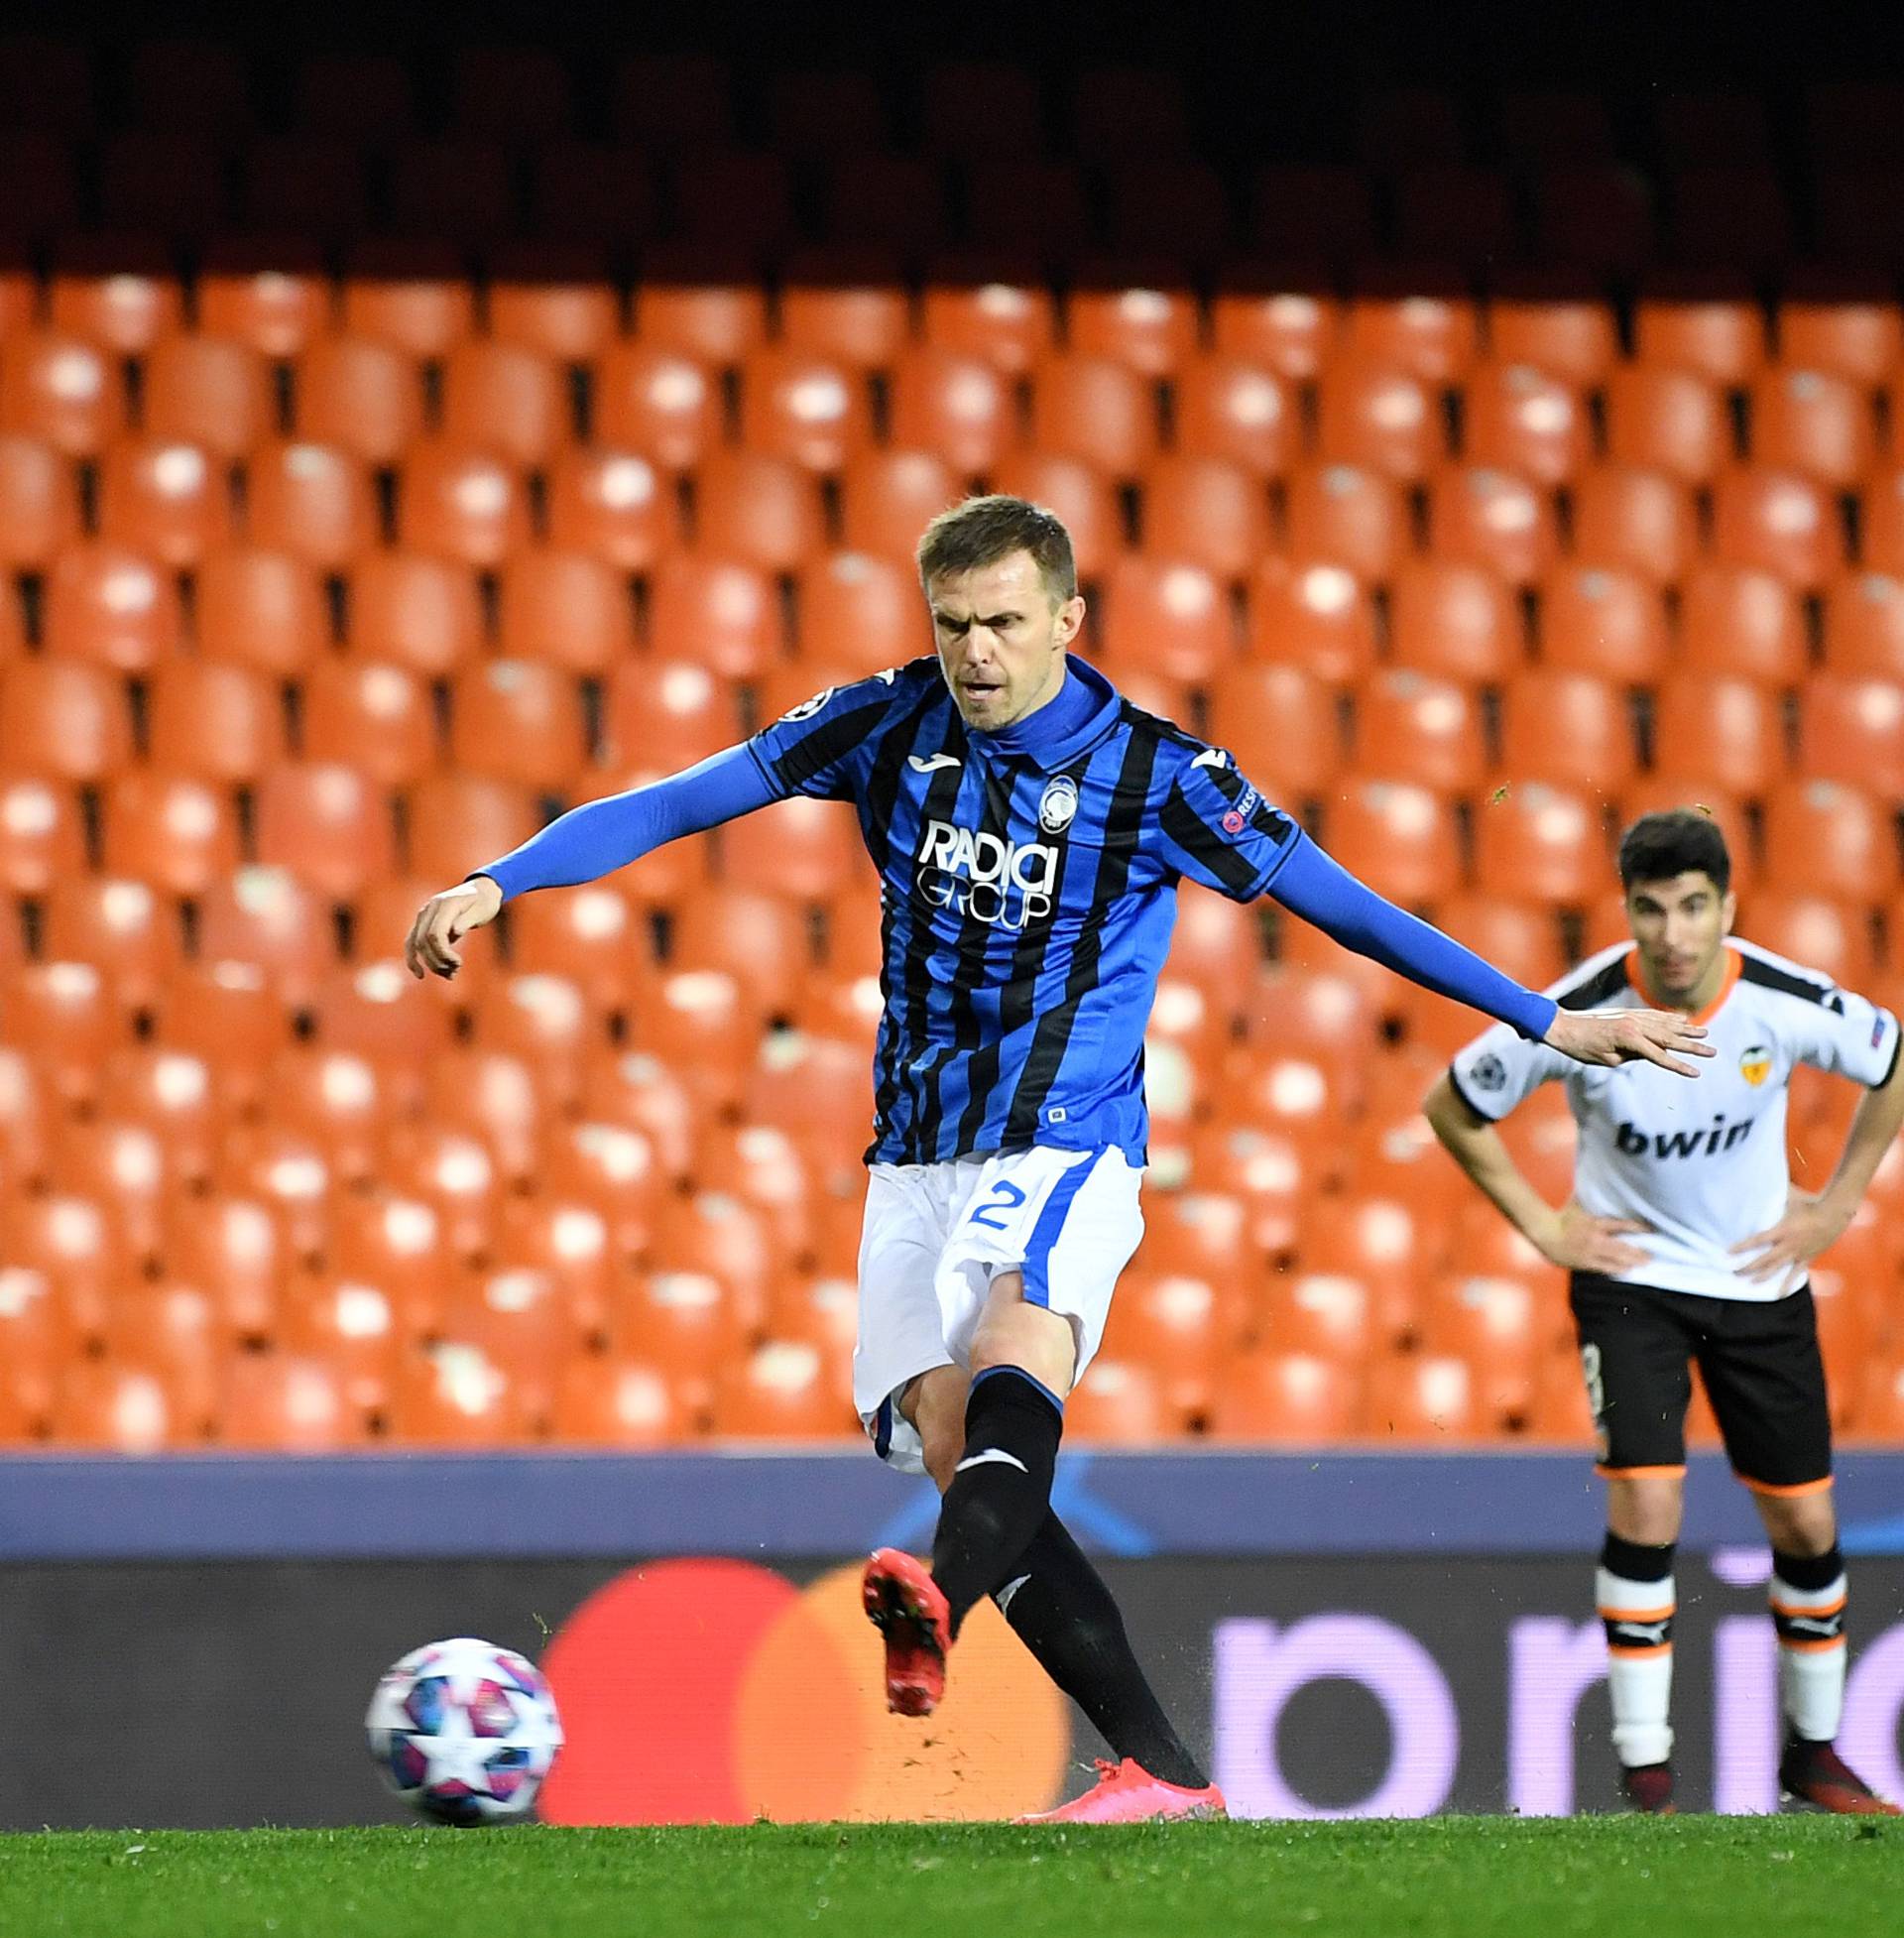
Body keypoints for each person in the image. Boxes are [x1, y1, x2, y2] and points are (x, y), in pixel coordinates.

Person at [407, 496, 1708, 1824]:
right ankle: (1165, 1771)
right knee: (954, 1434)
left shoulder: (1161, 775)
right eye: (956, 622)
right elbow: (688, 797)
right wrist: (501, 879)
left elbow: (1346, 904)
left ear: (1067, 620)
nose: (977, 652)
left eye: (1006, 624)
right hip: (911, 1149)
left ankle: (936, 1600)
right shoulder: (888, 718)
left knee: (1020, 1342)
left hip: (1069, 1132)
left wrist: (1550, 1019)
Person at [1425, 809, 1904, 1817]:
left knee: (1806, 1517)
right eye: (1653, 909)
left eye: (1694, 908)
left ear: (1728, 909)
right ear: (1629, 914)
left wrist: (1839, 1201)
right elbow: (1453, 1102)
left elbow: (1891, 1055)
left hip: (1759, 1282)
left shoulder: (1775, 998)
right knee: (1647, 1502)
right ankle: (1647, 1774)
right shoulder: (1585, 1008)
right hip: (1631, 1282)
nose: (1675, 934)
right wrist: (1544, 1227)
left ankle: (1813, 1751)